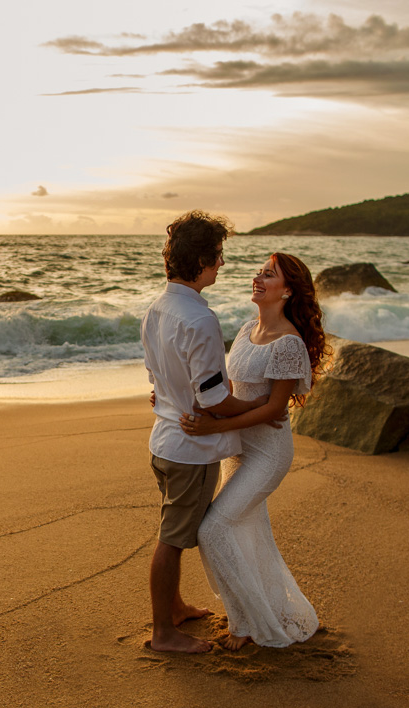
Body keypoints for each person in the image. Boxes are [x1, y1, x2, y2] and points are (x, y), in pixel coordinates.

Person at [178, 252, 328, 651]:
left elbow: (274, 410)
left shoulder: (289, 344)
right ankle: (255, 608)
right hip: (236, 448)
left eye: (269, 275)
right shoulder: (246, 330)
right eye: (259, 272)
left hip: (267, 456)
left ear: (288, 290)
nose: (258, 278)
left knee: (213, 529)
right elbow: (236, 394)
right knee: (246, 531)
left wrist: (215, 426)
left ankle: (247, 621)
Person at [140, 211, 272, 654]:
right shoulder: (200, 319)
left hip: (164, 440)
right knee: (174, 539)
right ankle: (163, 632)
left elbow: (157, 378)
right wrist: (257, 405)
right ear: (199, 260)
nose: (221, 264)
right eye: (217, 257)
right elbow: (213, 398)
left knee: (171, 528)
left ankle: (174, 608)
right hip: (190, 449)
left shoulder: (156, 309)